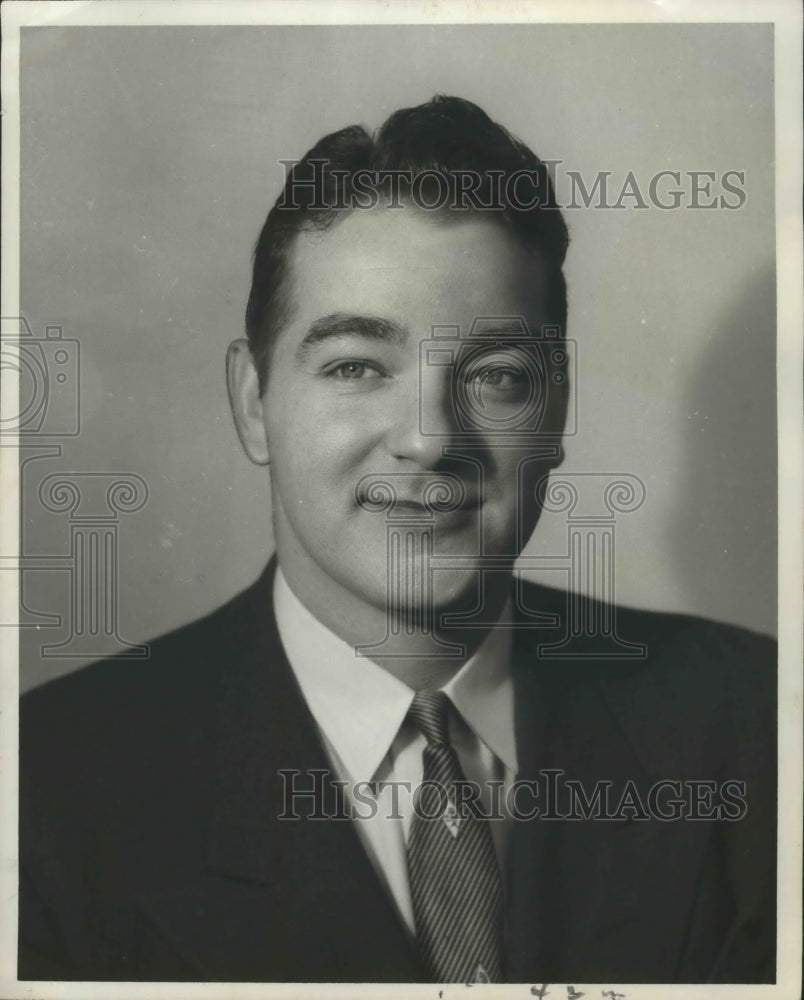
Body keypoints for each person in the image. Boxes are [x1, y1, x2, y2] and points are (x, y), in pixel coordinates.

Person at [18, 96, 776, 985]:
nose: (428, 438)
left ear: (558, 408)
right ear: (254, 400)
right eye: (356, 366)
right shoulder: (43, 791)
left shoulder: (756, 727)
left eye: (495, 375)